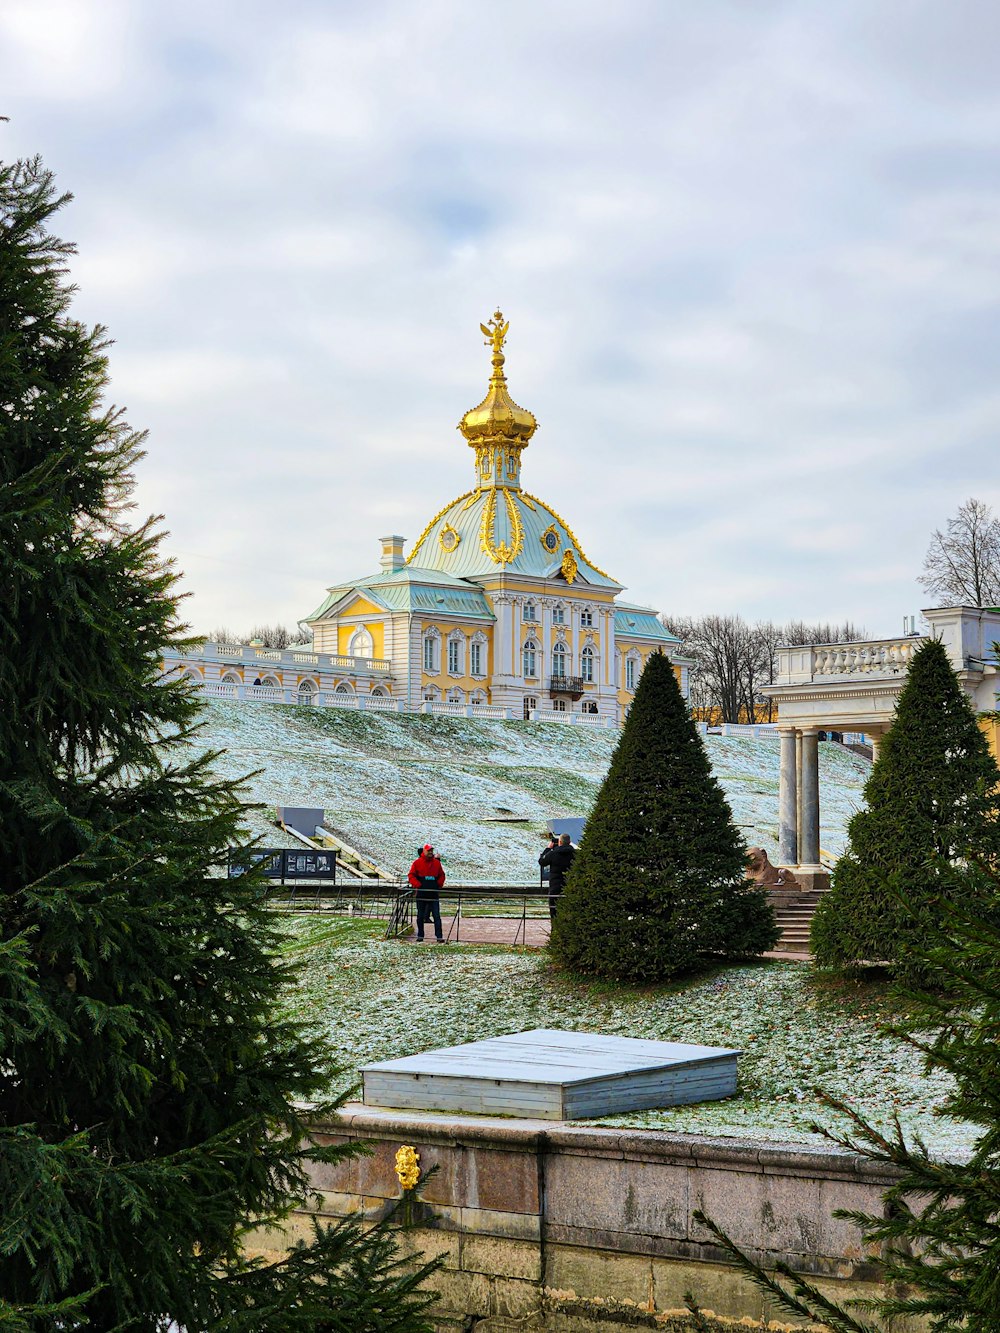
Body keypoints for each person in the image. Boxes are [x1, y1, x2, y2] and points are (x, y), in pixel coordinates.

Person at [408, 843, 446, 943]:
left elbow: (442, 875)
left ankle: (439, 936)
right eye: (428, 850)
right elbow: (411, 875)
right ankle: (420, 936)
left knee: (436, 916)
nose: (430, 852)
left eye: (431, 850)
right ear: (424, 851)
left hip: (433, 893)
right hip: (421, 893)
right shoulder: (417, 863)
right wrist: (418, 885)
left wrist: (438, 884)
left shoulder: (437, 863)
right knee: (420, 916)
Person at [541, 833, 575, 920]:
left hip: (555, 887)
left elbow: (542, 861)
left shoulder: (553, 853)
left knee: (554, 912)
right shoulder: (575, 854)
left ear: (559, 842)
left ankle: (555, 931)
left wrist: (548, 849)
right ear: (569, 842)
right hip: (570, 887)